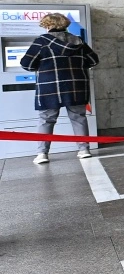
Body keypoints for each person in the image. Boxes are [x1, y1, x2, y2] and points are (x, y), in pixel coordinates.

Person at [20, 12, 99, 164]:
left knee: (46, 119)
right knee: (78, 118)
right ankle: (84, 150)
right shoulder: (78, 41)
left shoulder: (42, 41)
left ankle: (42, 154)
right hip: (76, 86)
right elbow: (94, 61)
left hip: (50, 86)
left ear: (48, 25)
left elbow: (26, 64)